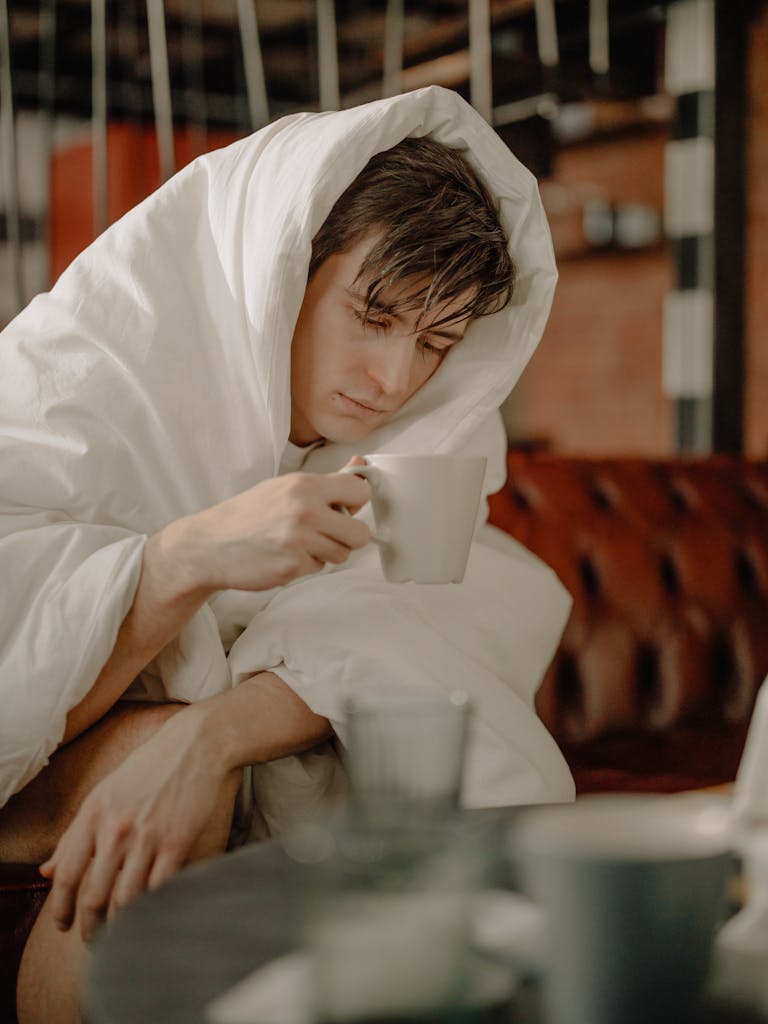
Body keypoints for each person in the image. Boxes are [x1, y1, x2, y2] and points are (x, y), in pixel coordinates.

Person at [0, 85, 574, 1023]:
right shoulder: (80, 374)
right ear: (282, 265)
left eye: (436, 342)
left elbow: (439, 604)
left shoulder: (424, 437)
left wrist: (209, 733)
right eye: (374, 315)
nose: (395, 381)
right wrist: (186, 557)